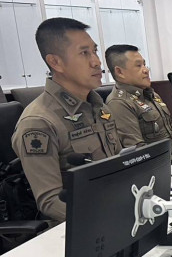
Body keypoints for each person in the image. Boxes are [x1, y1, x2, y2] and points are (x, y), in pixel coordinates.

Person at [11, 18, 122, 223]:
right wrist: (109, 217)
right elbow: (51, 202)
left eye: (95, 51)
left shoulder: (99, 107)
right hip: (81, 226)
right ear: (56, 62)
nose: (96, 61)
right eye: (84, 53)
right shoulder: (38, 122)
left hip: (117, 207)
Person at [104, 44, 172, 163]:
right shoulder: (119, 104)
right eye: (138, 66)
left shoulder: (150, 94)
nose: (146, 70)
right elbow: (140, 152)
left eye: (144, 64)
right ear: (120, 72)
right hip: (159, 167)